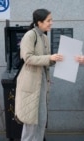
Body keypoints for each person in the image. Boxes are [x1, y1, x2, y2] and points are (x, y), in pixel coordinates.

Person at [15, 8, 63, 141]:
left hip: (41, 83)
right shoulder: (30, 35)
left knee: (41, 120)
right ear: (39, 22)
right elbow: (28, 58)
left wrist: (55, 60)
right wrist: (50, 58)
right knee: (31, 121)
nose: (51, 23)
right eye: (48, 20)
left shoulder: (45, 37)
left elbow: (45, 60)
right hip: (30, 84)